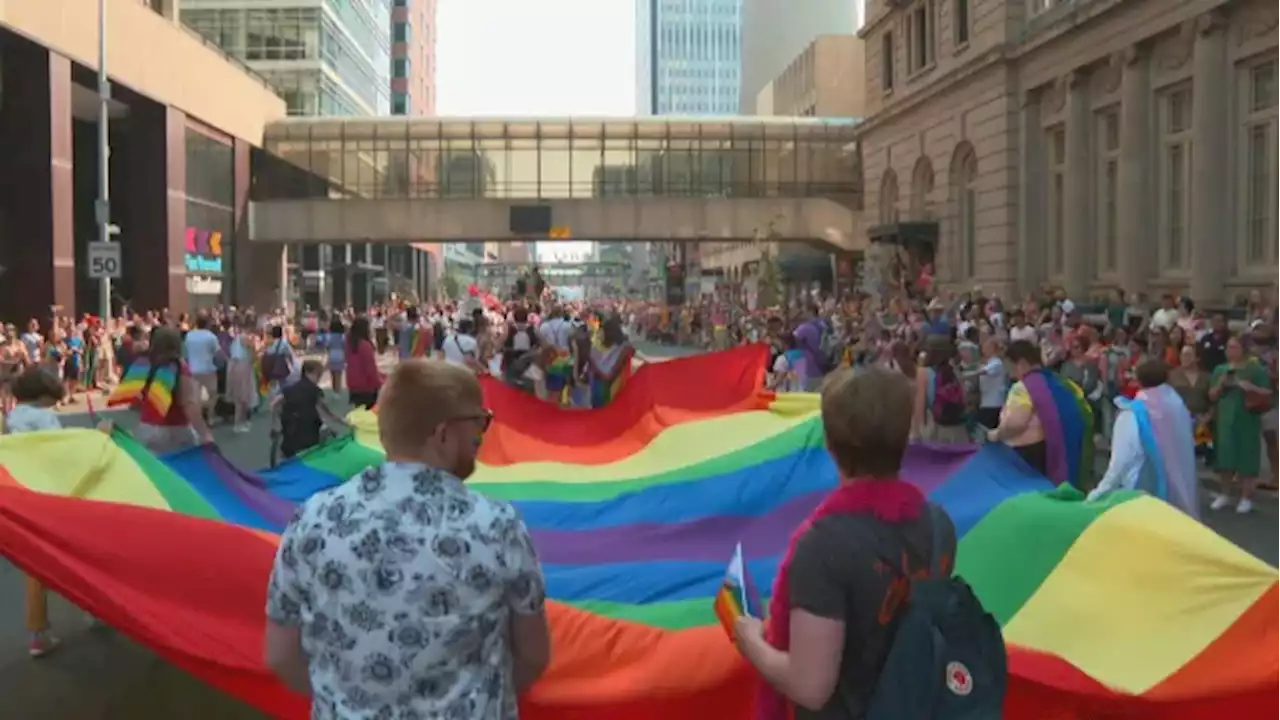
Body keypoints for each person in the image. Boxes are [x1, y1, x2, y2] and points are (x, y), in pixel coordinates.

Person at [264, 360, 550, 716]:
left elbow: (280, 654)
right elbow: (534, 654)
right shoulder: (497, 527)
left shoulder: (313, 520)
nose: (481, 437)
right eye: (479, 422)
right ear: (443, 434)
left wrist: (341, 700)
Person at [734, 367, 957, 718]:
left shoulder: (823, 547)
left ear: (830, 442)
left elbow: (810, 687)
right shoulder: (938, 523)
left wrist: (751, 643)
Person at [4, 368, 68, 657]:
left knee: (36, 567)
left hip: (26, 491)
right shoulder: (44, 417)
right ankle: (97, 609)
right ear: (43, 396)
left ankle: (37, 633)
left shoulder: (14, 416)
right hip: (52, 492)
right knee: (74, 554)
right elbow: (62, 448)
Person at [1088, 360, 1200, 518]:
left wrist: (1096, 496)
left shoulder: (1132, 414)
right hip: (1176, 495)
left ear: (1137, 380)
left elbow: (1119, 464)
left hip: (1140, 494)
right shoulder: (1177, 405)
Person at [111, 326, 215, 455]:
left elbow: (136, 401)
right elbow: (189, 403)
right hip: (176, 431)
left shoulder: (144, 364)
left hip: (146, 429)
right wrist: (205, 434)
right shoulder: (179, 367)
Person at [1208, 335, 1270, 514]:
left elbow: (1267, 392)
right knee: (1225, 457)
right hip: (1226, 418)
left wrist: (1249, 387)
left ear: (1243, 349)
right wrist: (1221, 383)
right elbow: (1212, 395)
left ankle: (1245, 497)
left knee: (1247, 457)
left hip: (1247, 417)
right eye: (1228, 347)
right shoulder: (1220, 369)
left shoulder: (1255, 370)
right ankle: (1224, 494)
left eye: (1234, 347)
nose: (1230, 351)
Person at [989, 340, 1048, 476]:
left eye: (1009, 365)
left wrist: (996, 434)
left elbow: (1016, 423)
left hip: (1023, 450)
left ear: (1020, 363)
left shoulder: (1022, 388)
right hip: (1044, 446)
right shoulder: (1049, 381)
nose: (1009, 370)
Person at [273, 359, 346, 460]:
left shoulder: (291, 388)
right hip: (308, 430)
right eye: (318, 374)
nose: (319, 378)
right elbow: (326, 412)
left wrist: (279, 414)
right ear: (309, 373)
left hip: (289, 427)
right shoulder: (315, 391)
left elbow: (274, 403)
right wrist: (342, 421)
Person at [184, 314, 223, 424]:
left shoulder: (189, 336)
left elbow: (186, 353)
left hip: (193, 369)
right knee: (213, 393)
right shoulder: (211, 336)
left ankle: (196, 418)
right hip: (208, 369)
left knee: (195, 395)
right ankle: (210, 417)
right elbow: (218, 353)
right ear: (208, 324)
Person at [344, 316, 382, 410]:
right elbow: (370, 369)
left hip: (353, 383)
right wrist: (379, 382)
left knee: (359, 413)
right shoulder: (365, 346)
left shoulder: (349, 343)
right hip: (367, 386)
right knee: (369, 414)